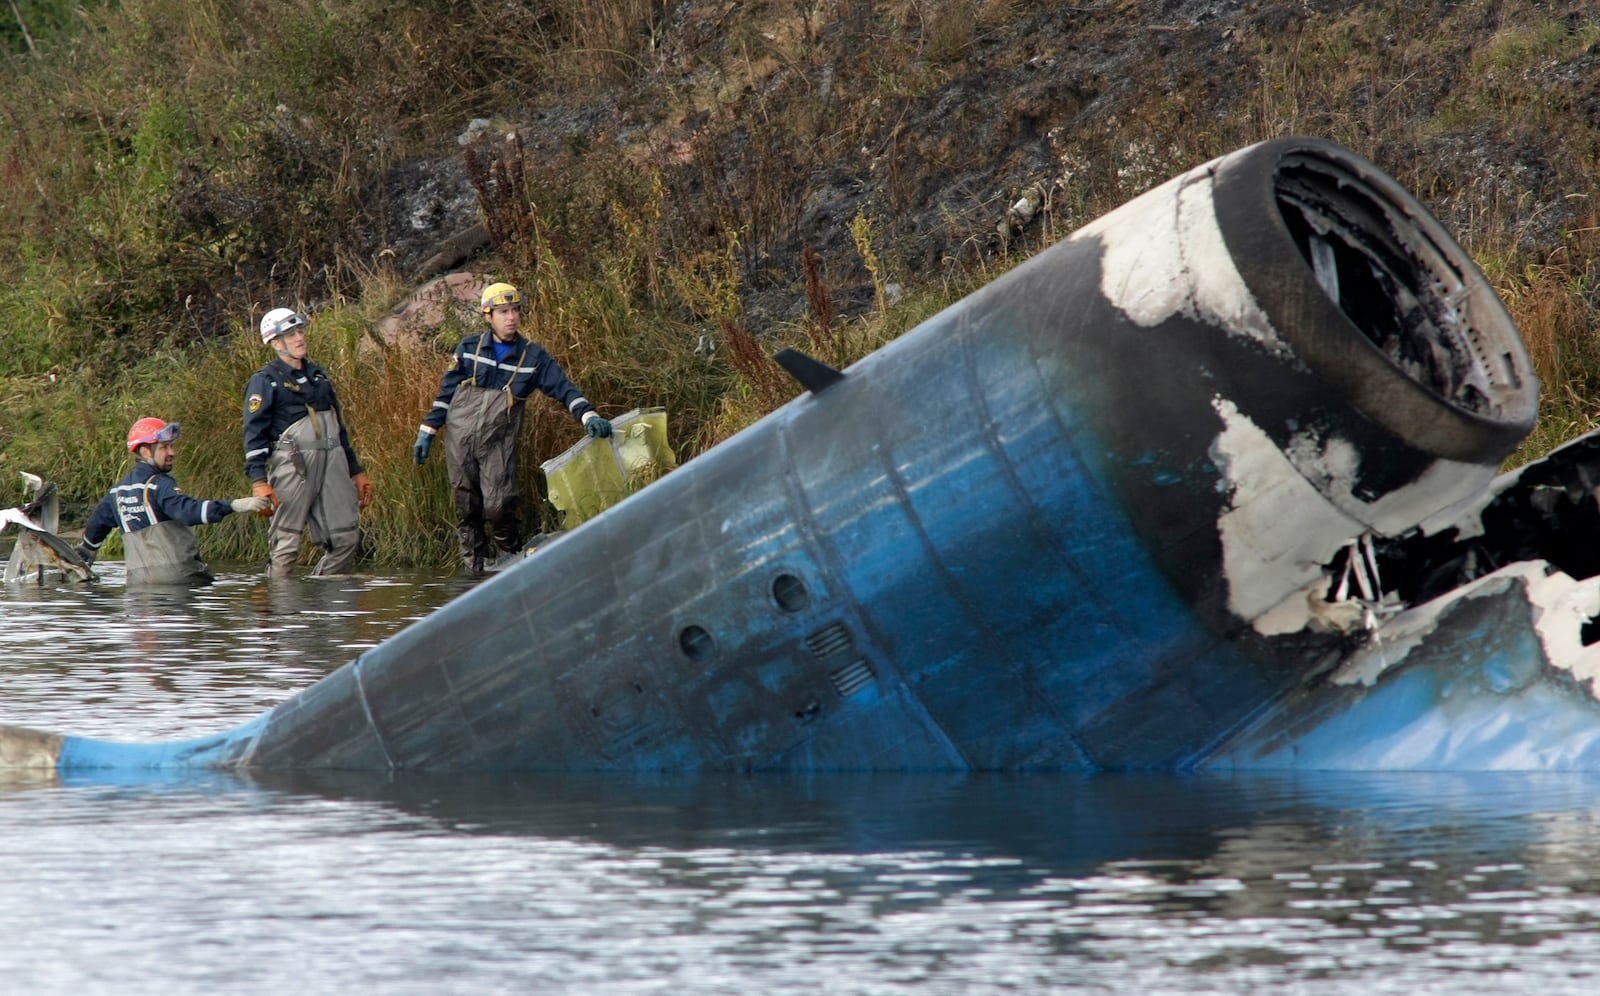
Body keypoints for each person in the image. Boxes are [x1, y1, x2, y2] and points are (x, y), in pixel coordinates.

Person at [413, 281, 612, 574]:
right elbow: (446, 394)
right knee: (466, 509)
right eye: (504, 311)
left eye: (515, 310)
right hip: (460, 441)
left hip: (498, 444)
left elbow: (565, 389)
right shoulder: (469, 349)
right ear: (488, 316)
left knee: (498, 505)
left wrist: (589, 415)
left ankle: (513, 563)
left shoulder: (533, 358)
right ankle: (475, 572)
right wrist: (427, 432)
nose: (512, 317)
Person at [244, 307, 373, 577]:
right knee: (286, 546)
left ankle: (325, 605)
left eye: (300, 331)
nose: (299, 338)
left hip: (333, 463)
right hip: (293, 466)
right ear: (275, 343)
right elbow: (254, 435)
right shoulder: (264, 381)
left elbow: (340, 428)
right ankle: (281, 609)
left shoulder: (319, 376)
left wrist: (356, 471)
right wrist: (259, 481)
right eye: (290, 334)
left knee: (345, 539)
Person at [76, 418, 274, 585]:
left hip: (139, 587)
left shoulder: (116, 493)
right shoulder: (159, 485)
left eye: (171, 446)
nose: (172, 452)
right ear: (145, 451)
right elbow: (188, 512)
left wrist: (85, 554)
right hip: (182, 581)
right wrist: (235, 505)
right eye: (164, 447)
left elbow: (94, 532)